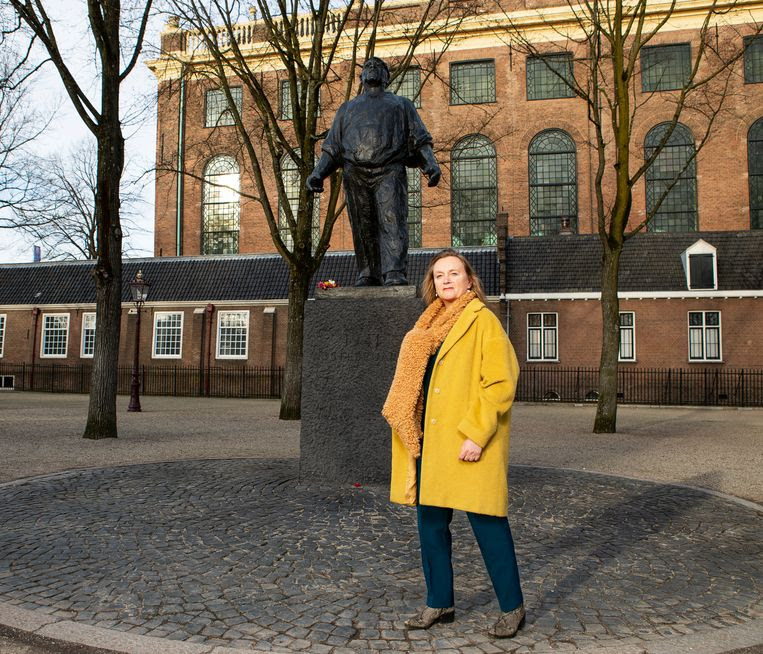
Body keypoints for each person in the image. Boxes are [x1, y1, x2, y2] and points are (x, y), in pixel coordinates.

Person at [382, 249, 525, 638]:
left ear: (468, 280)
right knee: (430, 527)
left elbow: (500, 382)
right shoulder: (426, 326)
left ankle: (512, 606)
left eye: (454, 273)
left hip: (466, 442)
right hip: (431, 442)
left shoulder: (483, 322)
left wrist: (477, 435)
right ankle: (439, 601)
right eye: (439, 275)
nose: (446, 280)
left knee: (488, 525)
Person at [306, 57, 441, 287]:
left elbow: (419, 138)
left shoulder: (401, 104)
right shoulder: (347, 109)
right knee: (362, 224)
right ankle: (367, 272)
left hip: (389, 169)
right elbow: (332, 147)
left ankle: (394, 271)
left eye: (379, 67)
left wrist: (431, 164)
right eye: (368, 66)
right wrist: (318, 173)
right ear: (361, 77)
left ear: (387, 77)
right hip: (355, 172)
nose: (373, 69)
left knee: (392, 220)